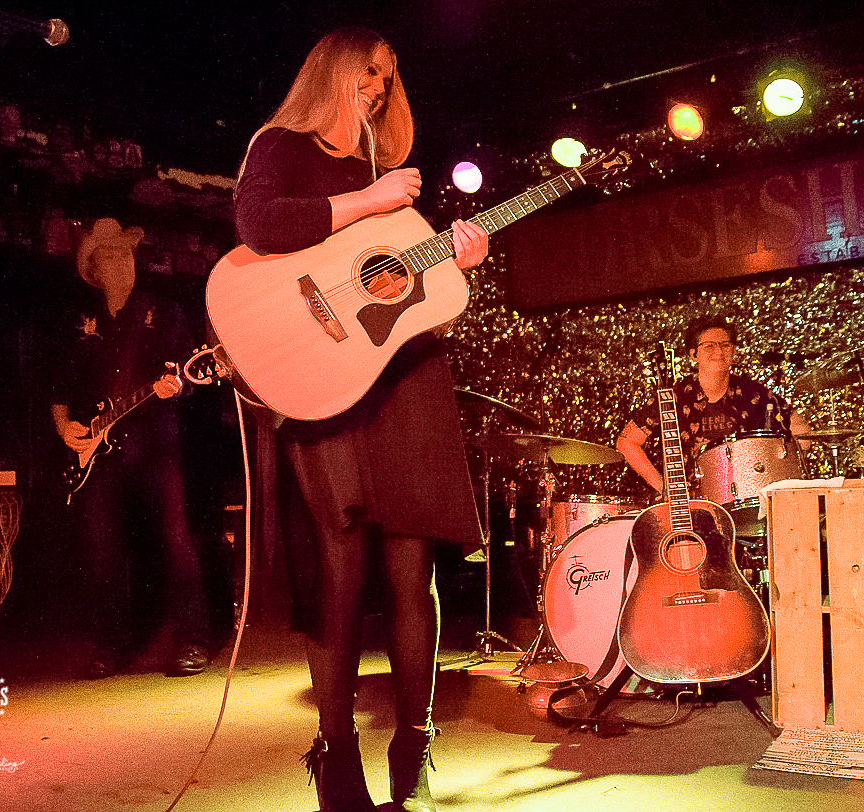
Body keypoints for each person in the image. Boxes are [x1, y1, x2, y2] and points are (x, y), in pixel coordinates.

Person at [231, 28, 489, 812]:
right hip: (324, 381)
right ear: (335, 68)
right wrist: (365, 200)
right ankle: (336, 757)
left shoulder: (388, 170)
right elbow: (259, 228)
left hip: (403, 379)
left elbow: (409, 296)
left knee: (414, 570)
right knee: (340, 569)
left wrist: (457, 259)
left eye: (390, 74)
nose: (380, 83)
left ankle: (415, 740)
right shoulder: (280, 145)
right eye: (370, 69)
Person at [51, 218, 210, 679]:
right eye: (111, 257)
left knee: (178, 541)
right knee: (102, 551)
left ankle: (193, 641)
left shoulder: (163, 312)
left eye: (126, 255)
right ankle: (109, 648)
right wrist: (66, 431)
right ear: (94, 269)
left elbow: (187, 377)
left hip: (156, 445)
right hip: (95, 454)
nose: (122, 263)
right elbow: (58, 390)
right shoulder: (80, 323)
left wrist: (174, 388)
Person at [616, 315, 810, 504]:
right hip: (688, 505)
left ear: (733, 351)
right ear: (693, 355)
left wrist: (785, 466)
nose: (719, 351)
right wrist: (664, 486)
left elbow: (801, 430)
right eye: (709, 345)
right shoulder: (675, 396)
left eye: (725, 345)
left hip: (744, 500)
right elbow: (626, 442)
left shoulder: (753, 393)